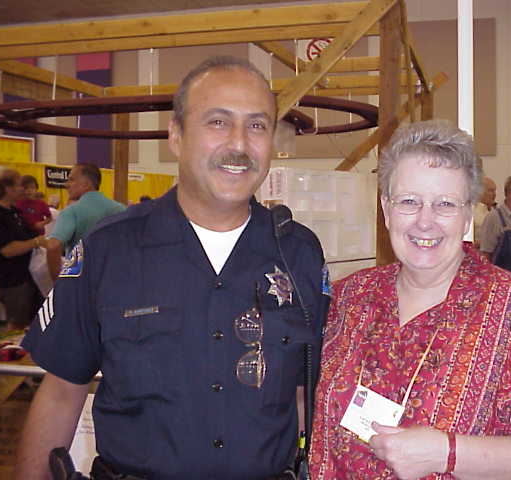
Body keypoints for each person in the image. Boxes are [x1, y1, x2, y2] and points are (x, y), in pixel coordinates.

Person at [17, 56, 328, 480]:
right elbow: (60, 394)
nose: (239, 143)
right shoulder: (110, 250)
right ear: (176, 136)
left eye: (257, 125)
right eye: (218, 122)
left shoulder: (299, 254)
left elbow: (302, 395)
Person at [311, 120, 511, 480]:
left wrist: (447, 453)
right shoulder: (347, 299)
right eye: (409, 201)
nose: (425, 221)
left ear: (468, 212)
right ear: (386, 209)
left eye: (445, 204)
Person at [44, 163, 125, 282]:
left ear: (86, 184)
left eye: (71, 180)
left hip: (81, 283)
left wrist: (58, 284)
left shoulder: (71, 212)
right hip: (114, 281)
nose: (66, 185)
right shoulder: (121, 209)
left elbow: (53, 246)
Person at [0, 169, 46, 330]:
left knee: (28, 323)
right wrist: (36, 241)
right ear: (7, 188)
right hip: (12, 281)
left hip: (26, 277)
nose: (22, 189)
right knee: (17, 326)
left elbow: (30, 234)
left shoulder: (14, 212)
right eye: (18, 185)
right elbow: (7, 250)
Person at [472, 175, 496, 247]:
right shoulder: (471, 212)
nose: (494, 194)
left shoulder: (496, 212)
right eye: (491, 191)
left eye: (495, 191)